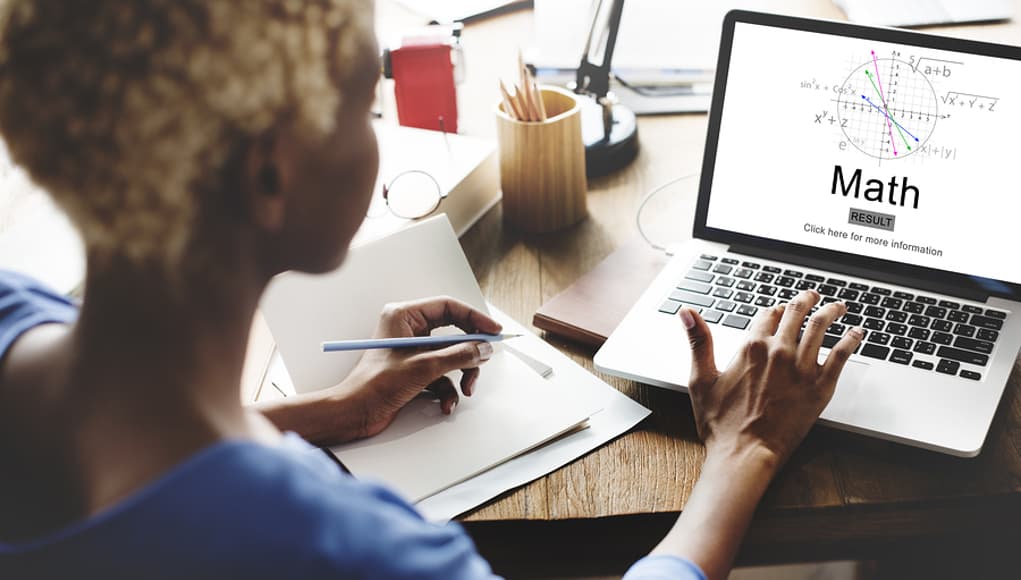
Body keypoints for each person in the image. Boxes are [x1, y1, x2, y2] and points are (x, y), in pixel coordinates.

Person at [0, 1, 865, 578]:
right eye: (364, 103)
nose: (379, 130)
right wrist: (742, 452)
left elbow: (141, 470)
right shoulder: (353, 552)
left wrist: (328, 413)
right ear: (270, 172)